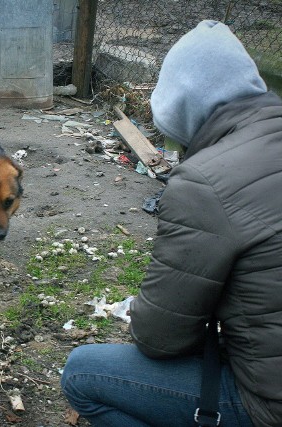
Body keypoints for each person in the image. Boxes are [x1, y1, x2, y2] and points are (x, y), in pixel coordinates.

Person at [60, 20, 282, 427]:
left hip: (269, 405)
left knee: (82, 374)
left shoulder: (205, 181)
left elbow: (160, 339)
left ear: (179, 108)